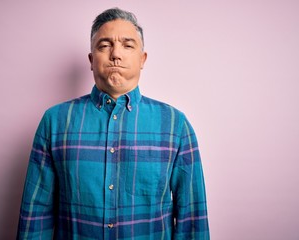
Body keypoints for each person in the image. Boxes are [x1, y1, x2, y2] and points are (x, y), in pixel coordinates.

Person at [17, 7, 209, 240]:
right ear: (91, 60)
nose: (115, 54)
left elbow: (192, 219)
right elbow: (36, 213)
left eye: (128, 45)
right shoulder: (55, 122)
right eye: (104, 45)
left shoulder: (175, 126)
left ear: (142, 59)